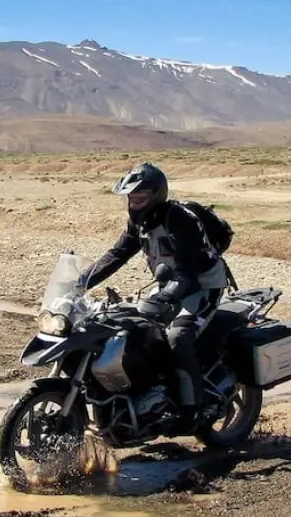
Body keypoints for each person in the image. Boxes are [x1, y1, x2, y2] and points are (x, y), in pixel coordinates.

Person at [80, 162, 229, 432]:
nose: (134, 203)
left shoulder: (179, 219)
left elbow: (189, 271)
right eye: (131, 198)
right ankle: (149, 396)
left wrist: (168, 296)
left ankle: (192, 409)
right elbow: (117, 255)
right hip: (170, 284)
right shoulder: (140, 222)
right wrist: (81, 281)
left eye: (140, 197)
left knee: (178, 338)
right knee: (133, 330)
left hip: (202, 286)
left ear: (156, 194)